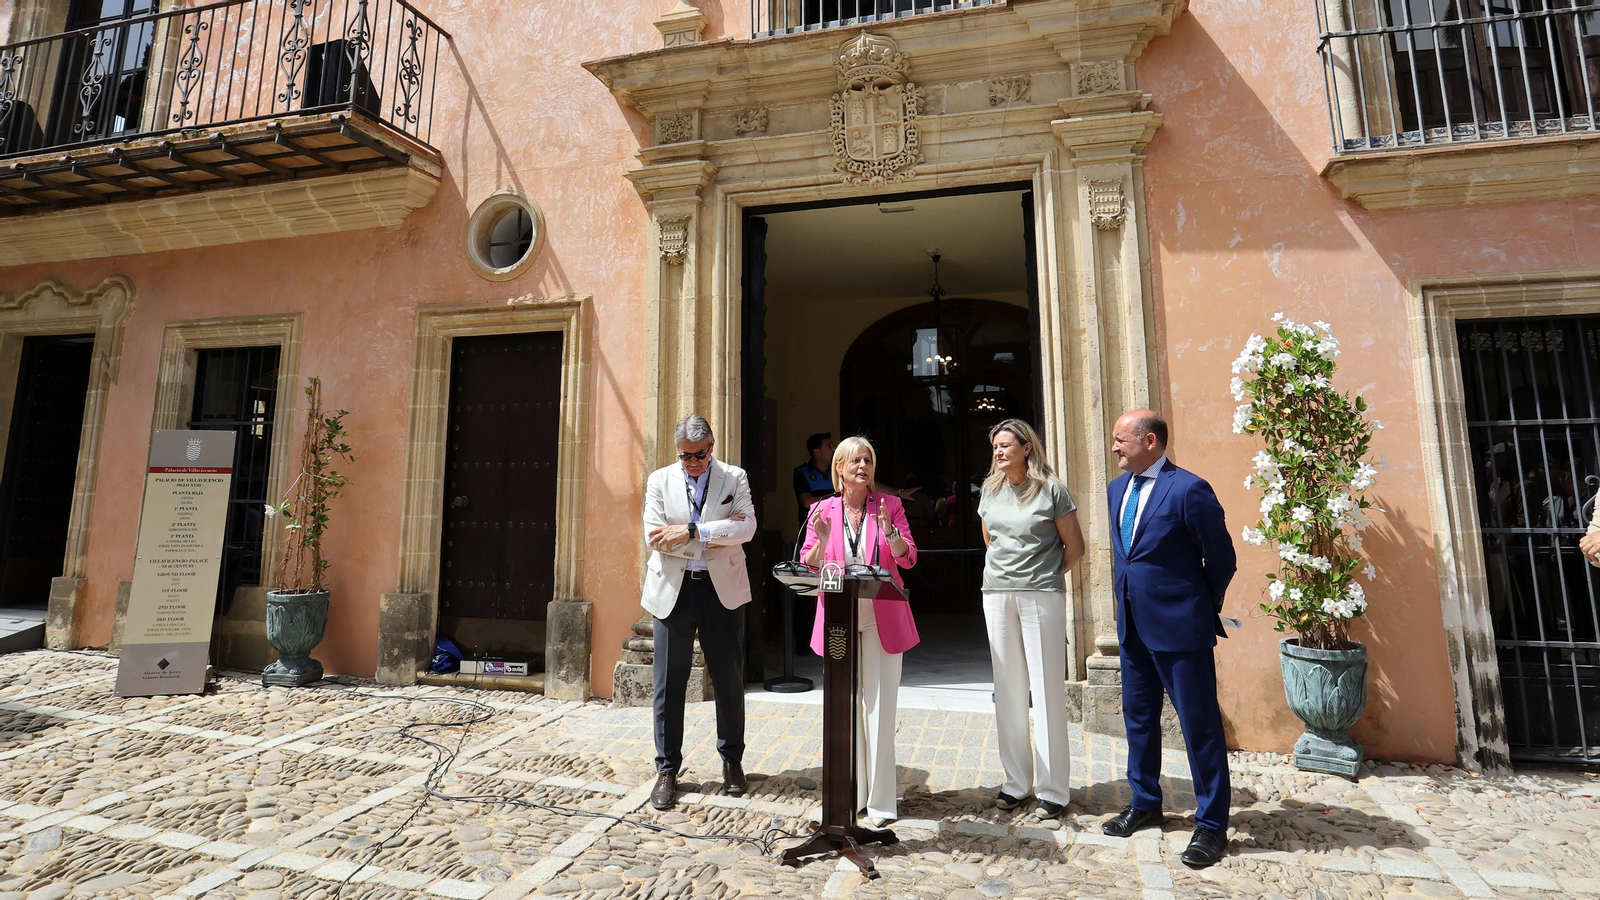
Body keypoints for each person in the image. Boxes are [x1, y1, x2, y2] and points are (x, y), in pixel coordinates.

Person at [1103, 410, 1236, 869]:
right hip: (1132, 627)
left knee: (1200, 726)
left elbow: (1221, 559)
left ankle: (1212, 824)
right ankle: (1144, 801)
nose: (1115, 447)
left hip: (1182, 628)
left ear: (1151, 441)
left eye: (1122, 440)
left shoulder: (1189, 489)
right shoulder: (1116, 490)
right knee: (1138, 718)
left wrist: (1198, 606)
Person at [641, 413, 758, 811]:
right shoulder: (659, 480)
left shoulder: (734, 477)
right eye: (685, 456)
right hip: (673, 592)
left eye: (699, 455)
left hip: (720, 591)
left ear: (712, 446)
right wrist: (717, 533)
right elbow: (655, 537)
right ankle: (667, 769)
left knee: (727, 679)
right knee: (668, 685)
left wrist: (693, 531)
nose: (692, 462)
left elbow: (748, 528)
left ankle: (732, 761)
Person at [800, 435, 918, 825]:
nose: (862, 467)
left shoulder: (891, 507)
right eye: (854, 461)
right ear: (839, 469)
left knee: (880, 710)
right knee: (846, 709)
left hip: (882, 614)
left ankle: (882, 802)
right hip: (840, 618)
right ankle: (852, 794)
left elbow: (909, 558)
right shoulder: (821, 509)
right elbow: (809, 565)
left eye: (867, 459)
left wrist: (891, 535)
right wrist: (818, 541)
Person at [977, 419, 1085, 820]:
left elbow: (1075, 547)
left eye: (1006, 445)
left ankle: (1054, 789)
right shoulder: (989, 490)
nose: (999, 452)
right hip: (997, 593)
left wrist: (1045, 578)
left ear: (1027, 448)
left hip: (1041, 596)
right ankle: (1016, 783)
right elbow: (991, 541)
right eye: (995, 447)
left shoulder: (1052, 490)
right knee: (1007, 688)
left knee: (1045, 690)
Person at [794, 432, 837, 524]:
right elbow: (806, 501)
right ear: (817, 452)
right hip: (811, 525)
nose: (834, 449)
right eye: (829, 446)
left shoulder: (838, 471)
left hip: (836, 523)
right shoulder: (802, 472)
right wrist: (837, 501)